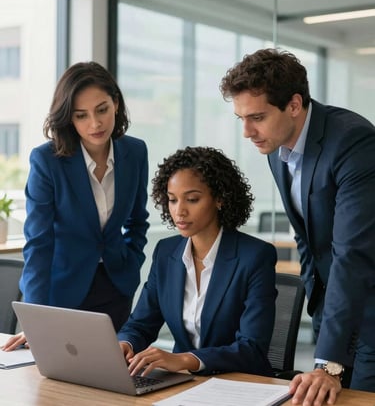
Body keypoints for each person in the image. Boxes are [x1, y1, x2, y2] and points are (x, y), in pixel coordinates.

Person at [220, 48, 375, 404]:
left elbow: (351, 254)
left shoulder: (353, 142)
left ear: (293, 104)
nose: (247, 132)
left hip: (370, 314)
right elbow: (306, 238)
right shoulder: (277, 148)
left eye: (256, 117)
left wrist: (329, 363)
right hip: (333, 313)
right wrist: (319, 310)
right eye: (240, 118)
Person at [3, 61, 149, 351]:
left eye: (102, 109)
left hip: (116, 285)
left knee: (113, 378)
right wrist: (35, 317)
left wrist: (131, 264)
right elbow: (38, 243)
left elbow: (137, 221)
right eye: (81, 115)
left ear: (116, 104)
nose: (94, 124)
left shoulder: (135, 151)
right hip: (64, 290)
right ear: (69, 118)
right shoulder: (47, 161)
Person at [117, 146, 277, 377]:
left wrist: (184, 359)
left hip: (239, 383)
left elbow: (251, 348)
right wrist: (126, 344)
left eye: (192, 199)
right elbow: (140, 324)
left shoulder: (255, 256)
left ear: (220, 198)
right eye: (172, 200)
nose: (179, 211)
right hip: (183, 382)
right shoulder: (166, 252)